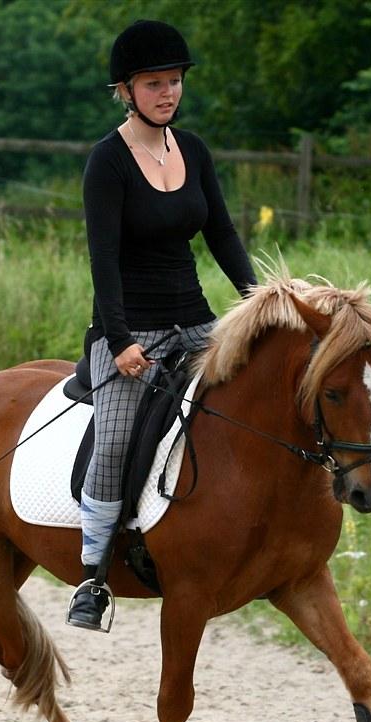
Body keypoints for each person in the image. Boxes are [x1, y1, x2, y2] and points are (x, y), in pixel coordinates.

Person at [66, 19, 257, 631]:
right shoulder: (107, 162)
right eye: (154, 83)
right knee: (118, 437)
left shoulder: (193, 150)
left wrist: (262, 299)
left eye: (174, 81)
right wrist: (118, 340)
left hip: (197, 324)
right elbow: (104, 258)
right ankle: (94, 574)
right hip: (132, 334)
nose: (167, 93)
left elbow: (222, 233)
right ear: (126, 89)